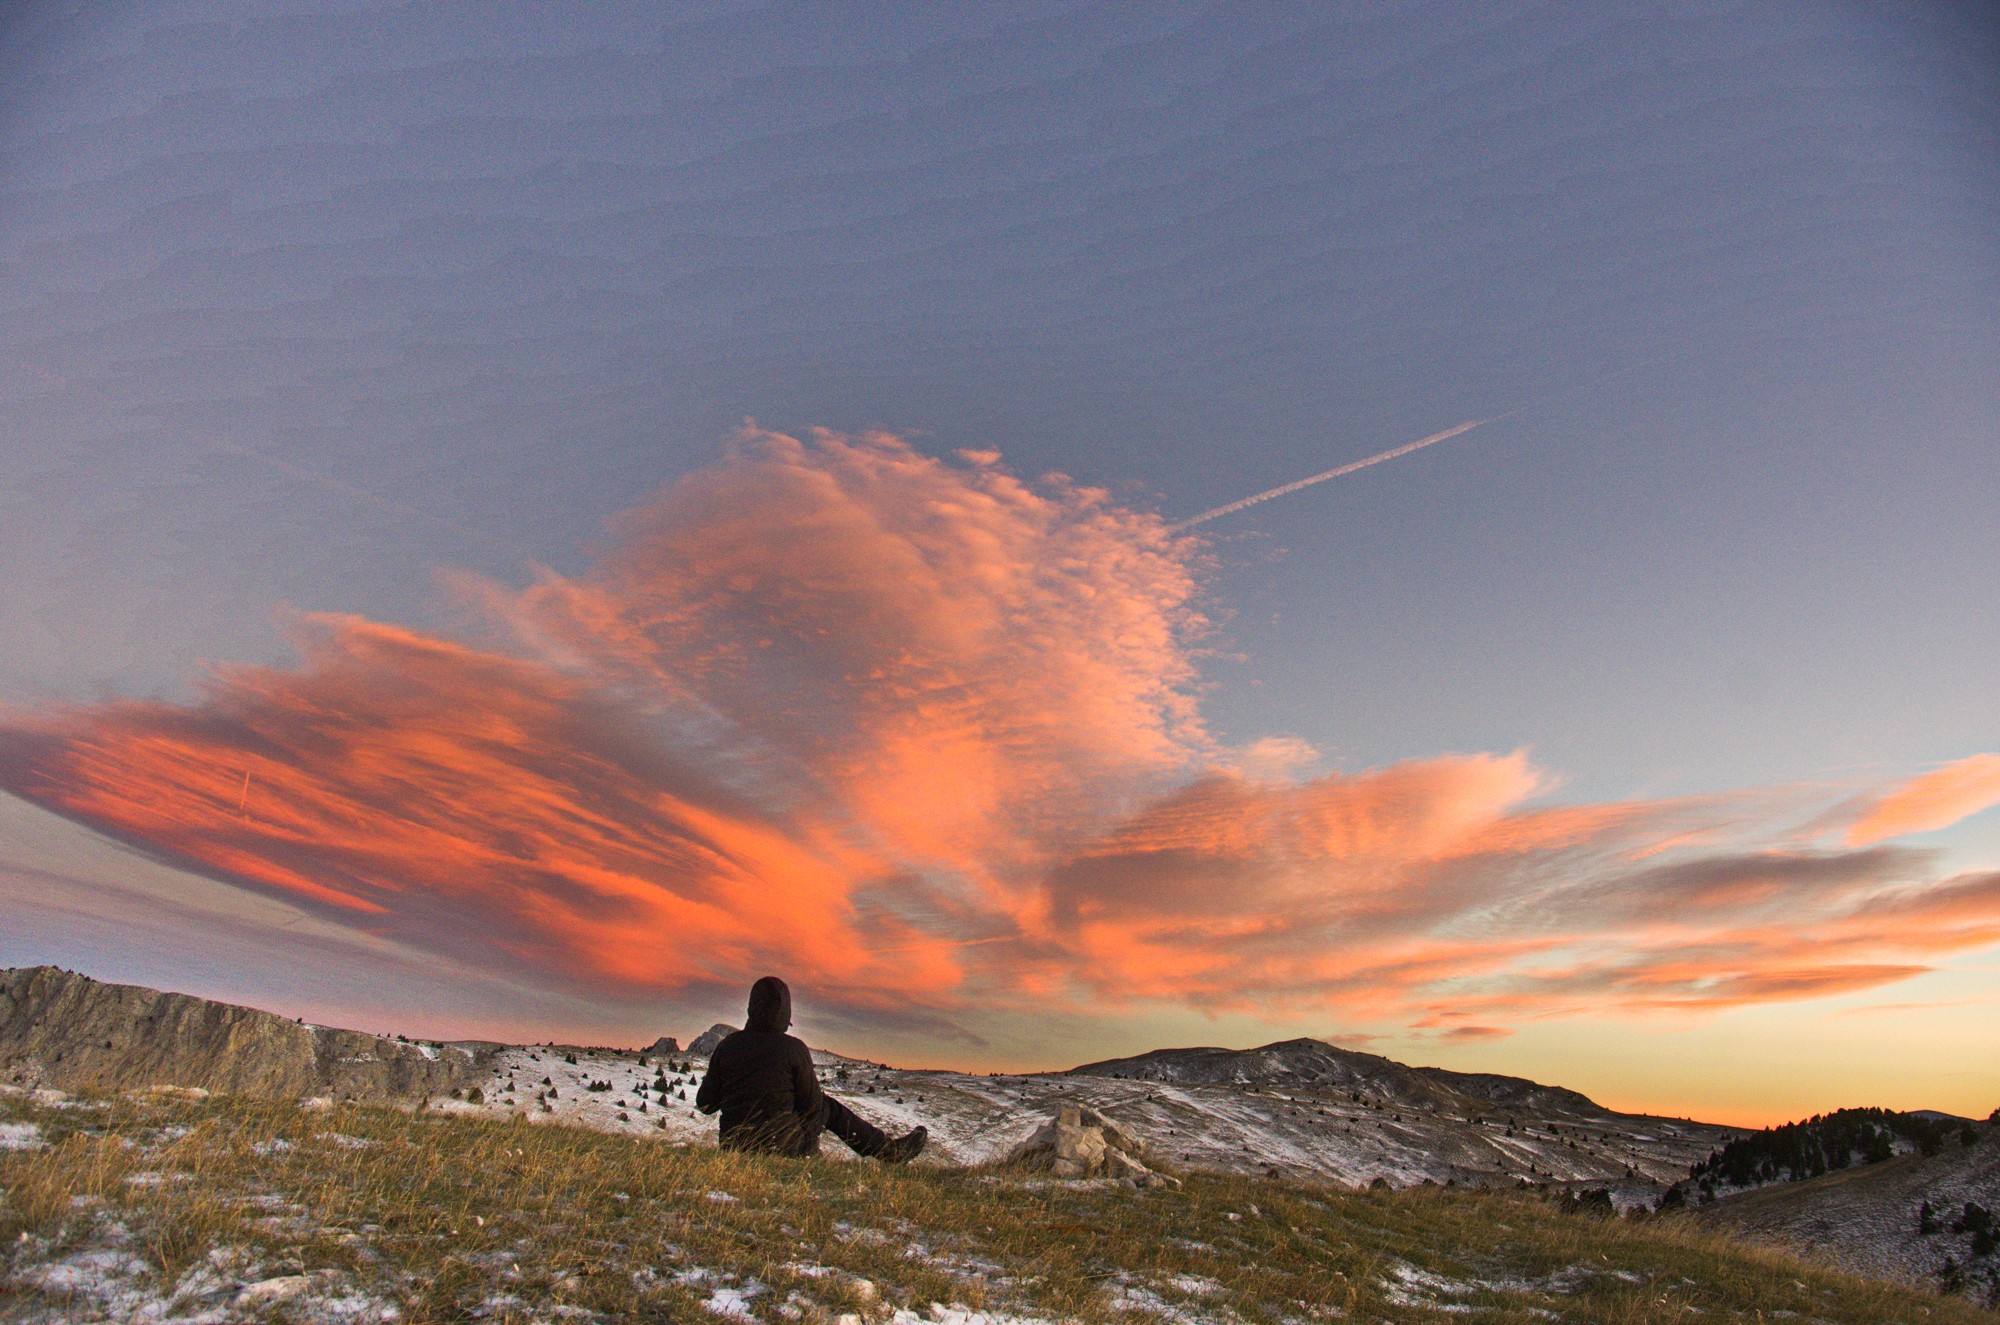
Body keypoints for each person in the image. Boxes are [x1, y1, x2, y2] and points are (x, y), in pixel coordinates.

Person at [695, 976, 927, 1162]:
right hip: (784, 1149)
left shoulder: (727, 1047)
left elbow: (706, 1104)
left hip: (734, 1148)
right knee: (829, 1108)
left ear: (750, 1009)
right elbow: (812, 1107)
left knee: (820, 1108)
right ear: (785, 1015)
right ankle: (889, 1152)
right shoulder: (793, 1049)